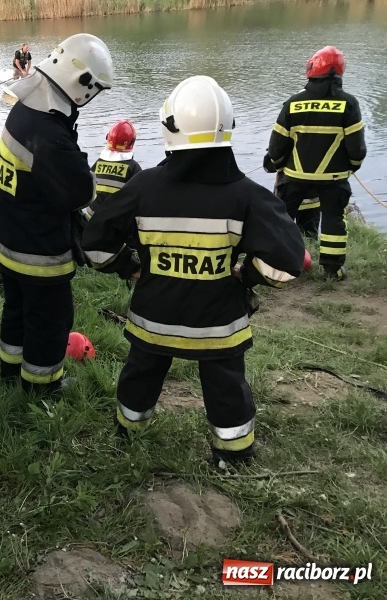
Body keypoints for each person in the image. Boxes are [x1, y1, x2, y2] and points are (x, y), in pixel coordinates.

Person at [81, 76, 305, 465]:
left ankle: (128, 434)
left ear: (170, 126)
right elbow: (286, 264)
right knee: (226, 387)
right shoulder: (249, 195)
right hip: (218, 326)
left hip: (154, 319)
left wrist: (130, 267)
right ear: (228, 128)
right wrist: (246, 275)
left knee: (141, 375)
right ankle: (233, 456)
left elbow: (95, 244)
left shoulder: (142, 186)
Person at [0, 33, 113, 395]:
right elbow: (81, 192)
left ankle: (10, 374)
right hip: (38, 252)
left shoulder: (25, 108)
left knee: (16, 312)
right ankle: (43, 389)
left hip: (7, 239)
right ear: (82, 85)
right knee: (49, 322)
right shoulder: (50, 134)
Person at [263, 45, 367, 281]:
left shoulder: (293, 103)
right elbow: (357, 149)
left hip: (294, 176)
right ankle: (333, 270)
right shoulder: (349, 105)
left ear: (312, 69)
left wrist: (279, 164)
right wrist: (351, 166)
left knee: (282, 219)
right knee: (333, 222)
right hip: (333, 179)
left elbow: (276, 146)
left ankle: (278, 266)